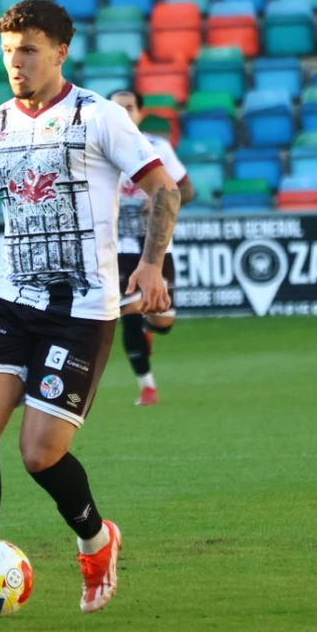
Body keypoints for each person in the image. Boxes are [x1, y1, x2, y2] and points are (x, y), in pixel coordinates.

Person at [0, 0, 182, 621]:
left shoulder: (99, 117)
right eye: (9, 53)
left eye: (29, 51)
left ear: (60, 51)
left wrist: (150, 265)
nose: (16, 63)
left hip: (83, 309)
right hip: (11, 299)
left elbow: (164, 190)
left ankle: (98, 541)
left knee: (39, 454)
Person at [109, 89, 196, 406]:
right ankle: (147, 387)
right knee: (127, 311)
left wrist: (161, 197)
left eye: (129, 108)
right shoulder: (96, 150)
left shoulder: (157, 148)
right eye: (117, 109)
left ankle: (150, 326)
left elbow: (186, 191)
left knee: (162, 321)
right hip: (116, 249)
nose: (124, 114)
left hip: (157, 246)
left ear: (141, 114)